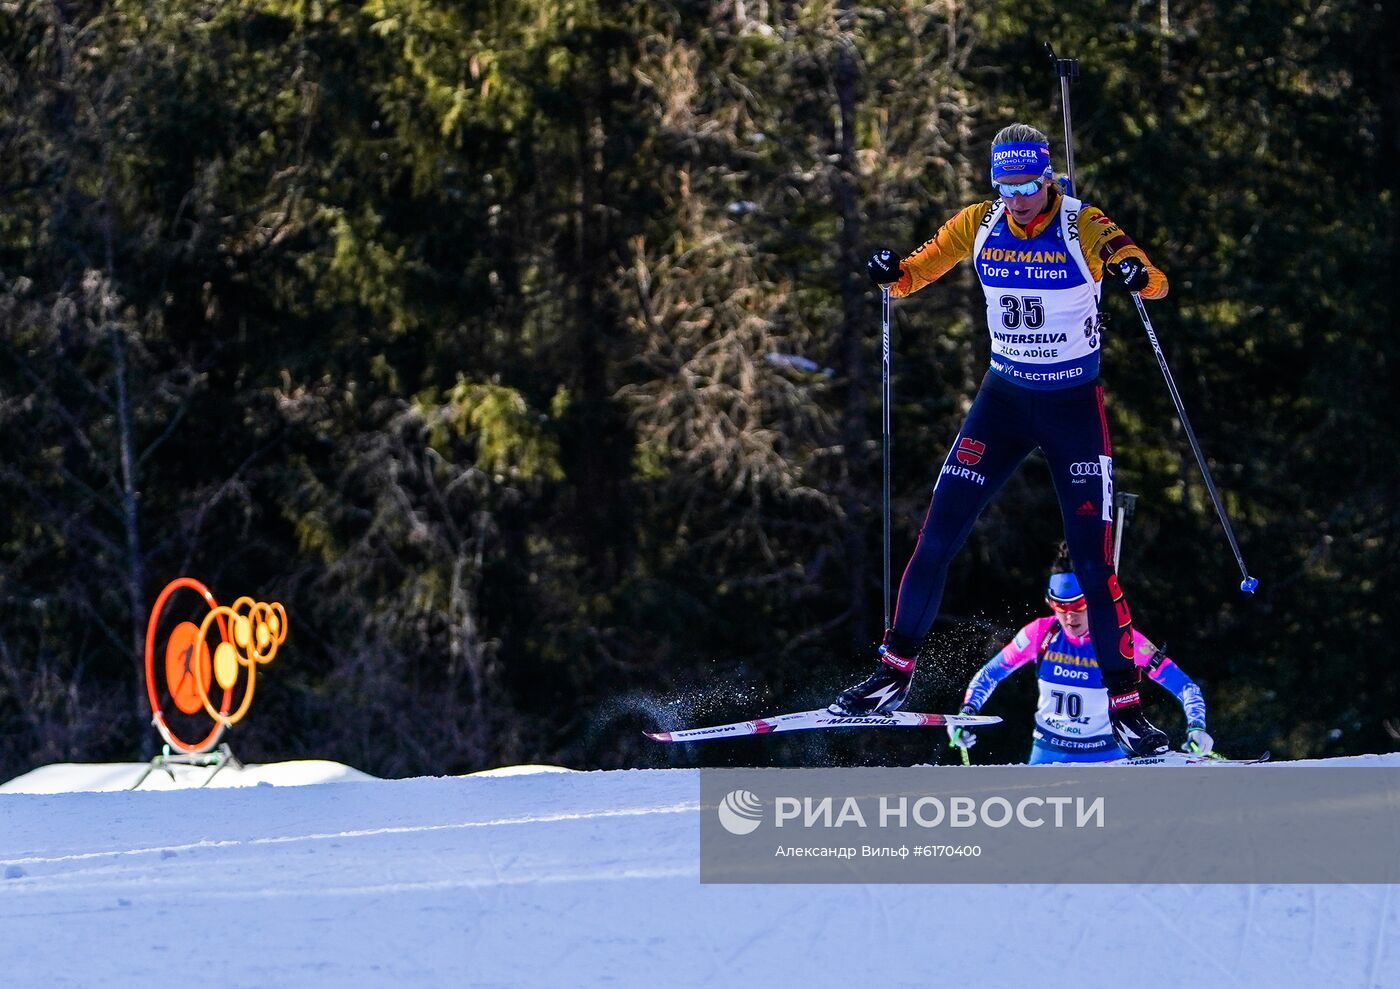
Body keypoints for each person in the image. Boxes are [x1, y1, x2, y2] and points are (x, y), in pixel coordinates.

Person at [830, 122, 1173, 757]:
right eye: (1004, 186)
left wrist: (1133, 273)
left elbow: (1156, 280)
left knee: (1093, 564)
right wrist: (889, 271)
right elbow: (911, 275)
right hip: (1003, 403)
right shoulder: (979, 222)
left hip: (1072, 407)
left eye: (1025, 186)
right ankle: (893, 674)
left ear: (1047, 178)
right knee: (938, 537)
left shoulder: (1083, 225)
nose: (1015, 199)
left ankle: (1126, 708)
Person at [947, 567, 1214, 763]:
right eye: (1061, 608)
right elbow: (990, 674)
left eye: (1079, 608)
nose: (1070, 618)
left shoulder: (1122, 639)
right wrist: (967, 712)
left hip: (1107, 756)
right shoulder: (1039, 633)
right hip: (1048, 753)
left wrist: (1197, 727)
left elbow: (1184, 686)